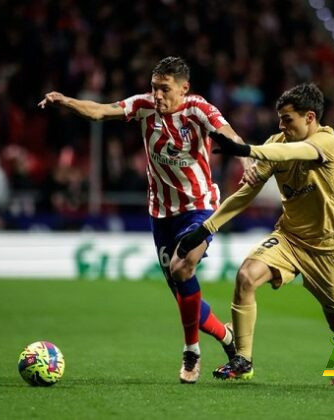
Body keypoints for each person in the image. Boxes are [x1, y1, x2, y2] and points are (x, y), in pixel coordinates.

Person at [38, 56, 248, 384]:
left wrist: (246, 157)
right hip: (160, 212)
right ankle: (228, 339)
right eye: (154, 88)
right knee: (183, 294)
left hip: (200, 206)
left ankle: (191, 351)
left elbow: (226, 131)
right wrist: (65, 100)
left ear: (183, 89)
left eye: (165, 89)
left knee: (182, 268)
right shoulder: (144, 106)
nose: (158, 95)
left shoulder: (198, 109)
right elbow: (100, 111)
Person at [177, 83, 334, 386]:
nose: (281, 125)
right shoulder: (276, 143)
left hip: (327, 248)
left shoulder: (327, 143)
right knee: (246, 276)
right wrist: (205, 229)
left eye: (287, 119)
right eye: (279, 119)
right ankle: (243, 360)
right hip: (289, 238)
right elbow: (244, 195)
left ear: (310, 117)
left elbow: (295, 152)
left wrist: (248, 150)